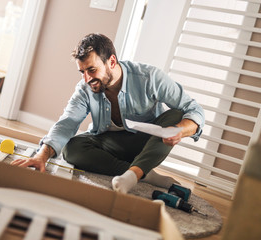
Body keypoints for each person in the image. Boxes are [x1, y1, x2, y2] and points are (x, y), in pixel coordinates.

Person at [11, 33, 204, 194]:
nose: (87, 79)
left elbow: (194, 110)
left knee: (177, 114)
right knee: (72, 147)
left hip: (148, 143)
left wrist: (179, 130)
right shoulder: (84, 88)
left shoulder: (150, 78)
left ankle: (134, 175)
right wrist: (41, 156)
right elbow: (68, 122)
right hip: (111, 143)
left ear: (111, 61)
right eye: (82, 72)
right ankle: (143, 174)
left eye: (92, 70)